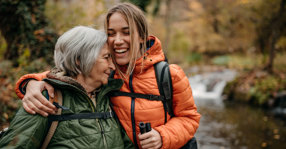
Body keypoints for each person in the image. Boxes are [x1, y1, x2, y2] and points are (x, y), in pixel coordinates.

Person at [14, 3, 200, 149]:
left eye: (126, 33)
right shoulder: (107, 72)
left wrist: (163, 136)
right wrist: (32, 82)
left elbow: (190, 118)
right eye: (111, 34)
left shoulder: (169, 74)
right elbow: (68, 73)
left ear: (142, 36)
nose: (118, 41)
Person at [0, 26, 134, 148]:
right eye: (106, 58)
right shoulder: (46, 100)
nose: (112, 66)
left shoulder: (109, 98)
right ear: (79, 60)